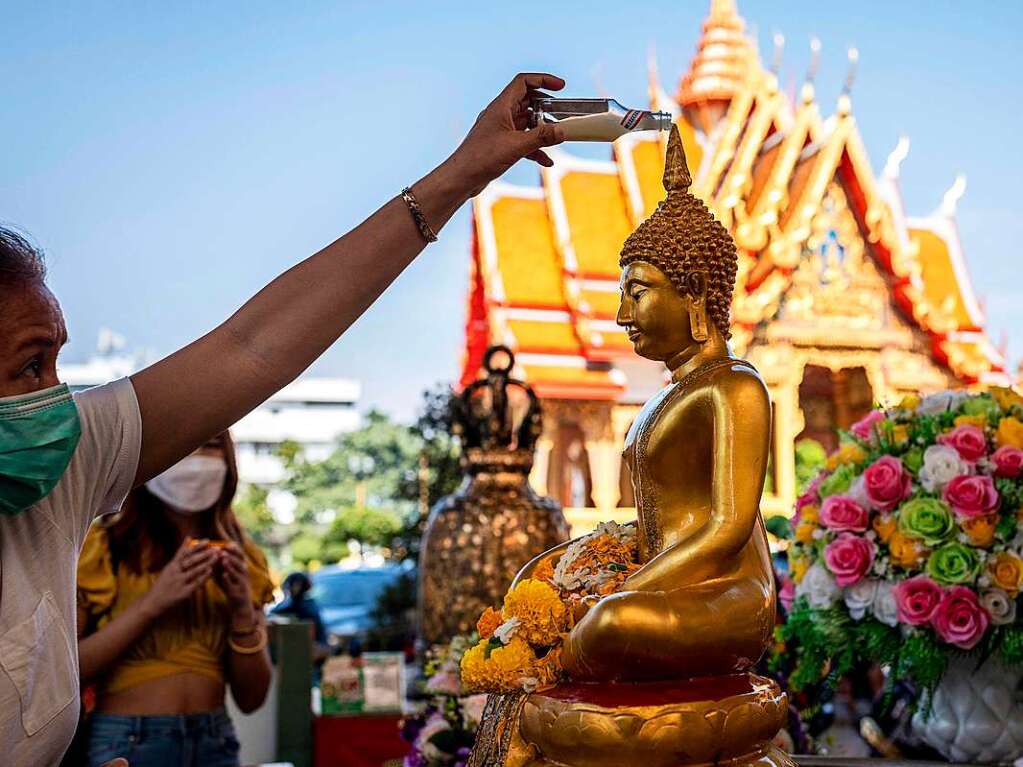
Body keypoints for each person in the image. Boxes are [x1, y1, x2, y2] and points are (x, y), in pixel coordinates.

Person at [0, 71, 566, 766]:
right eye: (30, 368)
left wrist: (459, 174)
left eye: (58, 364)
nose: (56, 400)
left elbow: (253, 346)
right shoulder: (96, 535)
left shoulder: (62, 476)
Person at [76, 432, 273, 767]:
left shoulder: (243, 555)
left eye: (210, 445)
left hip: (215, 740)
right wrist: (152, 604)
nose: (195, 459)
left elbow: (252, 698)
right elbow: (67, 669)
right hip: (126, 741)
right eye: (183, 443)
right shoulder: (104, 545)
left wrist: (242, 611)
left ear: (228, 460)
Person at [271, 572, 327, 646]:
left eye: (297, 585)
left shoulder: (303, 604)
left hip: (312, 645)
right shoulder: (305, 602)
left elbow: (277, 611)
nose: (295, 588)